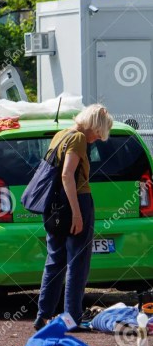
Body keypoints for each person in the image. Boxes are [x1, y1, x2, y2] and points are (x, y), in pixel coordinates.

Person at [34, 104, 113, 330]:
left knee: (54, 261)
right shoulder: (78, 138)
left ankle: (43, 315)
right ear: (94, 126)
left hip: (54, 206)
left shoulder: (61, 134)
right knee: (77, 264)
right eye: (100, 133)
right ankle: (72, 319)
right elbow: (68, 175)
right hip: (75, 203)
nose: (98, 138)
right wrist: (77, 212)